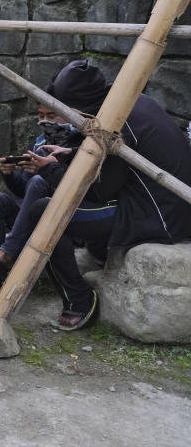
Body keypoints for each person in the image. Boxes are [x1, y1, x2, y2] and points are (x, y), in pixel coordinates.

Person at [29, 60, 191, 330]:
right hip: (169, 206)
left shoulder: (115, 124)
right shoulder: (136, 101)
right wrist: (70, 155)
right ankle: (99, 256)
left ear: (78, 107)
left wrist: (52, 171)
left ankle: (79, 301)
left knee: (43, 212)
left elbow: (100, 190)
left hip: (155, 215)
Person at [0, 103, 93, 292]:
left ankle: (5, 256)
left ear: (69, 116)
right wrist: (9, 174)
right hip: (30, 216)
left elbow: (80, 187)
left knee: (38, 180)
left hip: (62, 218)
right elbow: (22, 190)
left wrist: (46, 170)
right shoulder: (40, 143)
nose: (45, 121)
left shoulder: (83, 144)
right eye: (41, 115)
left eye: (51, 116)